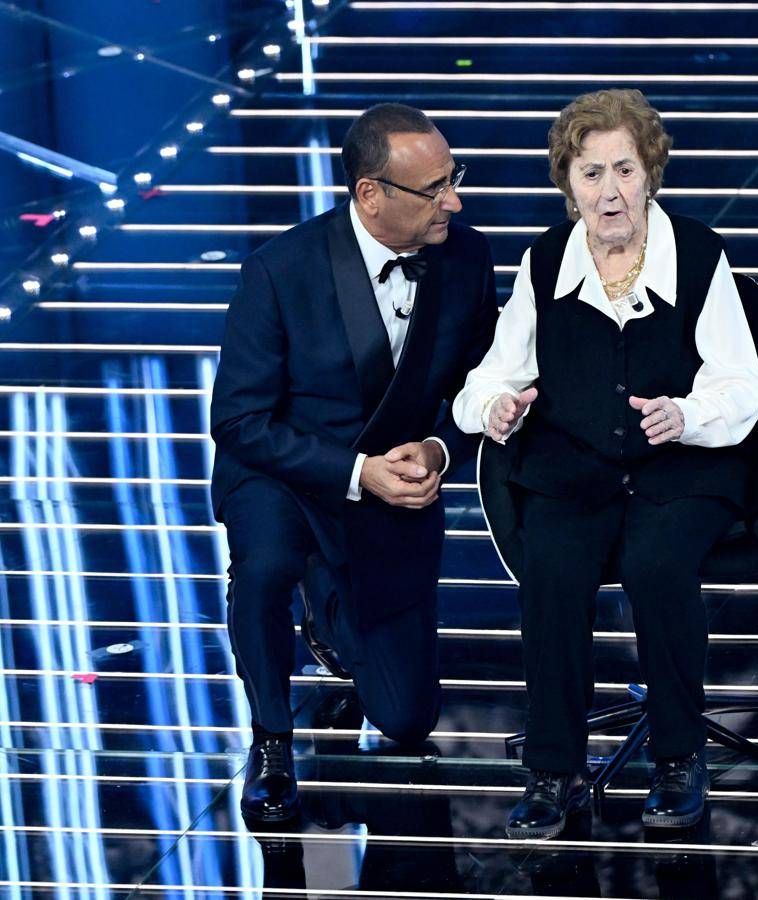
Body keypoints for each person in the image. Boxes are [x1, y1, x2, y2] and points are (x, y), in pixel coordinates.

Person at [453, 89, 758, 838]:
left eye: (624, 169)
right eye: (591, 173)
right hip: (576, 467)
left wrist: (687, 414)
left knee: (659, 566)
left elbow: (741, 384)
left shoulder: (699, 254)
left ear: (649, 173)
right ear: (569, 185)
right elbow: (488, 378)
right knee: (552, 572)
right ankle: (553, 770)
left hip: (680, 466)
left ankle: (678, 758)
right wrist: (493, 408)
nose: (610, 191)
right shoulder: (544, 262)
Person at [210, 102, 498, 822]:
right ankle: (272, 737)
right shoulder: (280, 269)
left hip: (392, 483)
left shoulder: (466, 258)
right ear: (370, 193)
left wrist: (439, 448)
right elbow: (238, 421)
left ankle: (330, 618)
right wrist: (354, 472)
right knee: (265, 568)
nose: (454, 202)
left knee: (406, 719)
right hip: (287, 469)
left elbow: (484, 385)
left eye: (454, 178)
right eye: (434, 189)